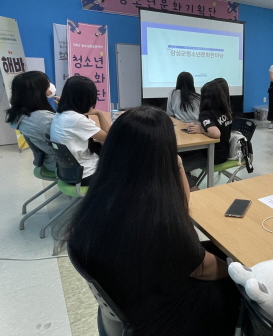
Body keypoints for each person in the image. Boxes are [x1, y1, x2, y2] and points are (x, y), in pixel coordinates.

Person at [66, 106, 239, 335]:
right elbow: (202, 267)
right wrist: (239, 269)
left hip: (129, 294)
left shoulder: (104, 195)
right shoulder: (155, 216)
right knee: (240, 281)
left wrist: (176, 162)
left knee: (216, 250)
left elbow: (182, 207)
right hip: (162, 317)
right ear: (163, 153)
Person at [50, 76, 110, 185]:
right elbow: (109, 137)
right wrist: (99, 113)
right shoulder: (76, 119)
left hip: (68, 172)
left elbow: (95, 129)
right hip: (85, 174)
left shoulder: (61, 113)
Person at [181, 80, 233, 186]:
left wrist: (202, 130)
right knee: (181, 156)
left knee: (176, 167)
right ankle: (189, 180)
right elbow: (218, 126)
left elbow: (216, 133)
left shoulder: (206, 114)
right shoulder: (225, 111)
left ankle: (192, 187)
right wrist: (201, 127)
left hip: (212, 155)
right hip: (224, 152)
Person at [5, 71, 57, 172]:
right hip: (61, 164)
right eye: (47, 83)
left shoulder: (20, 114)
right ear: (38, 91)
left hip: (48, 160)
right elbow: (69, 140)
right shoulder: (44, 119)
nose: (50, 86)